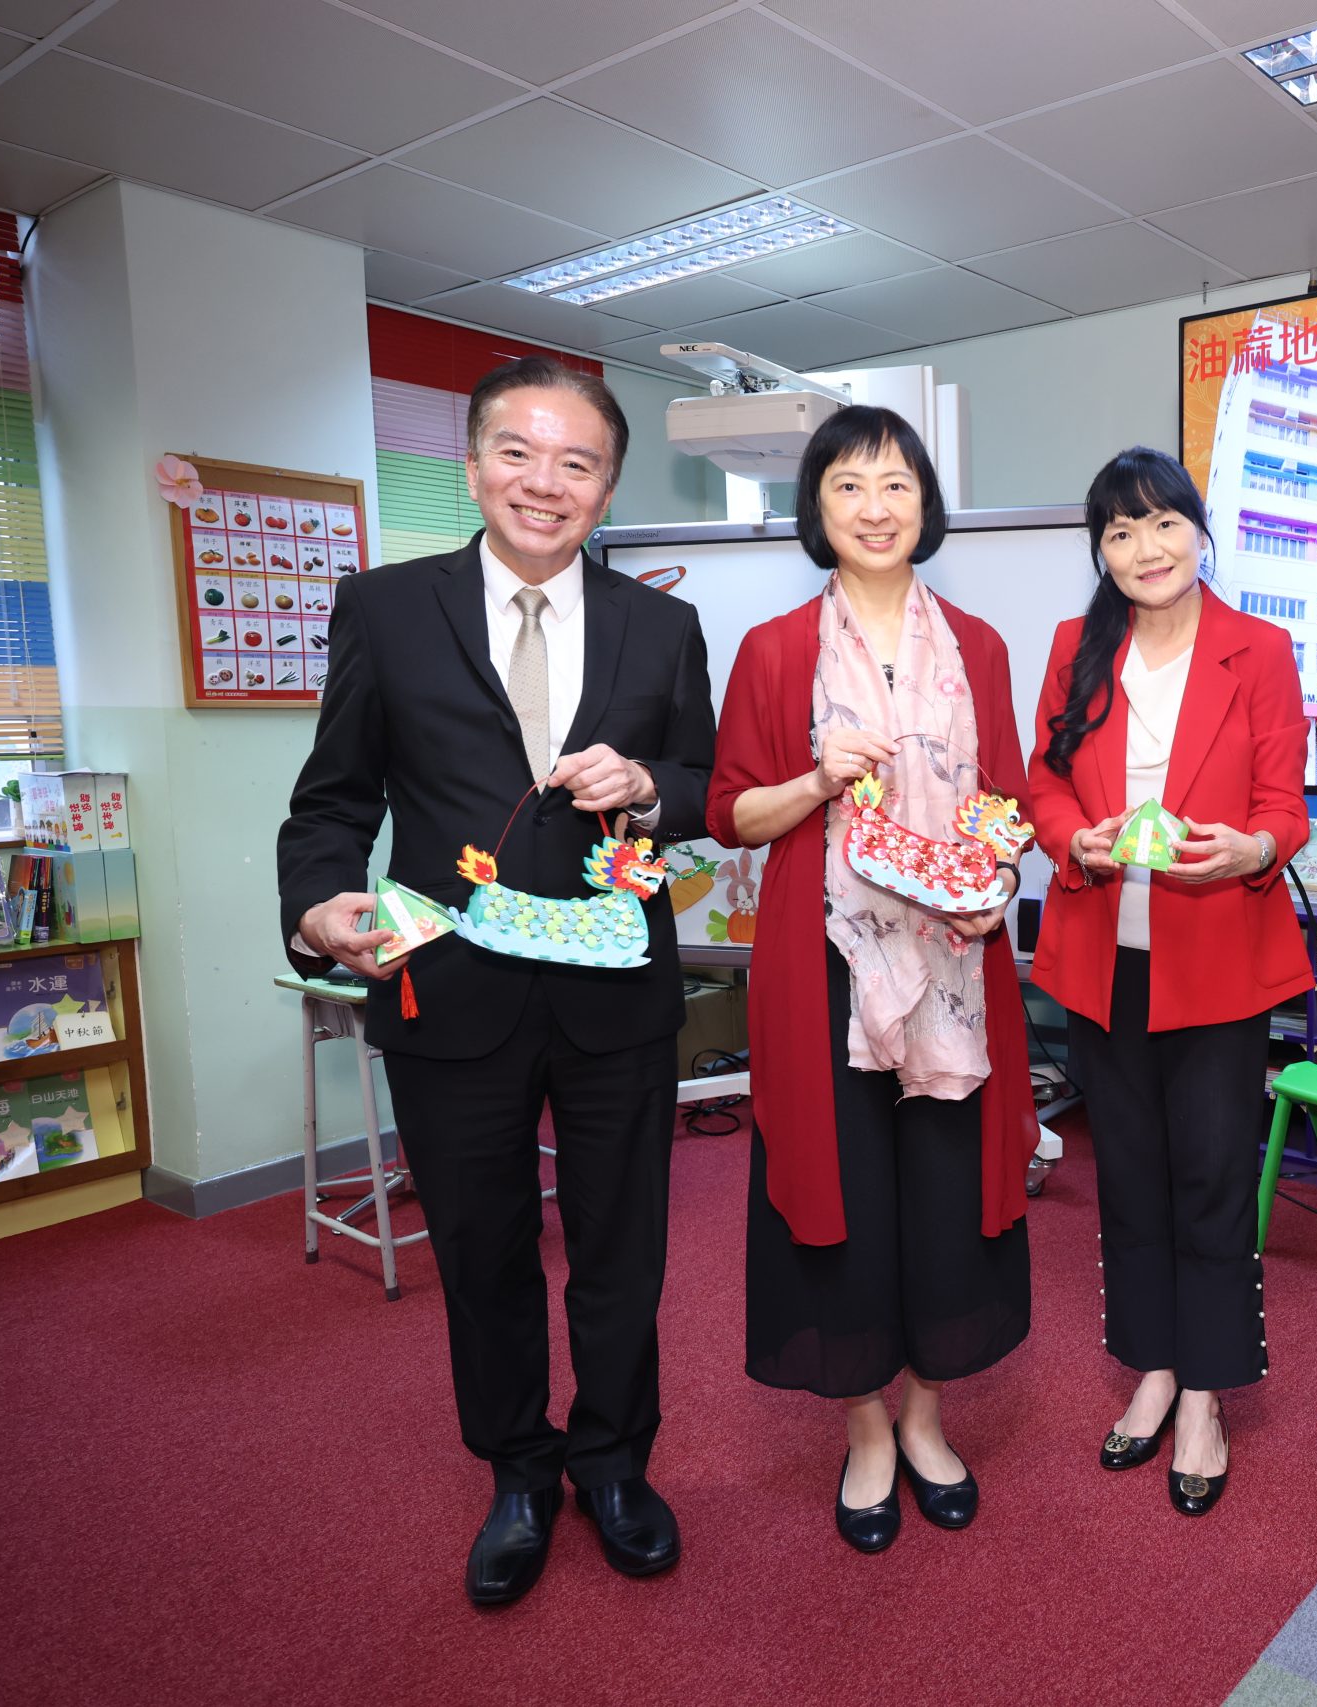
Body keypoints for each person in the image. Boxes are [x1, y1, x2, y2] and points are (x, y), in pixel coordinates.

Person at [277, 358, 713, 1608]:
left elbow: (702, 777)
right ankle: (518, 1473)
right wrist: (315, 904)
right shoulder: (385, 607)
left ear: (608, 486)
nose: (545, 481)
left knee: (624, 1249)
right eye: (519, 453)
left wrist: (650, 788)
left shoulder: (661, 624)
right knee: (483, 1250)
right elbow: (333, 800)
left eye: (577, 463)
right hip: (447, 990)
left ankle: (616, 1466)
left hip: (610, 989)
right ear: (471, 466)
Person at [705, 405, 1035, 1554]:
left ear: (924, 504)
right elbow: (729, 814)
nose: (876, 506)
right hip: (823, 963)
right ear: (817, 510)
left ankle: (931, 1420)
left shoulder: (982, 647)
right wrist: (812, 779)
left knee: (947, 1195)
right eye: (849, 485)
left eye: (896, 484)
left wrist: (997, 842)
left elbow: (1010, 802)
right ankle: (864, 1434)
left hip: (955, 962)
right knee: (838, 1199)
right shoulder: (776, 649)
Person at [1025, 447, 1312, 1517]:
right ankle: (1150, 1365)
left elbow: (1286, 800)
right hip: (1104, 954)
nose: (1142, 549)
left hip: (1218, 960)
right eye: (1116, 532)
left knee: (1208, 1180)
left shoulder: (1259, 650)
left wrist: (1257, 850)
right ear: (1098, 552)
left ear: (1199, 532)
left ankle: (1206, 1392)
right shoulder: (1075, 648)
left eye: (1160, 525)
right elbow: (1042, 779)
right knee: (1128, 1177)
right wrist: (1073, 841)